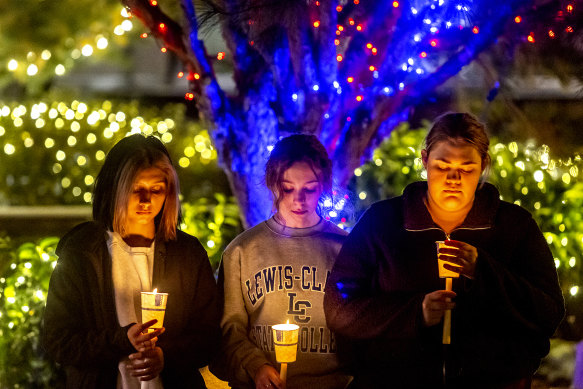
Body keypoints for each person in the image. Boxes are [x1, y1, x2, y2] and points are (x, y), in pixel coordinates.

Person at [324, 113, 565, 389]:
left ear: (484, 165)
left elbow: (548, 312)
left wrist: (483, 272)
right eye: (442, 166)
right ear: (425, 160)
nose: (454, 178)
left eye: (466, 168)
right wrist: (416, 313)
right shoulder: (384, 222)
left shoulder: (514, 226)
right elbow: (338, 306)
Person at [42, 134, 221, 389]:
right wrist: (121, 339)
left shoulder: (187, 254)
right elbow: (57, 340)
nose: (146, 201)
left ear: (169, 192)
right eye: (136, 189)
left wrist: (165, 355)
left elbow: (209, 337)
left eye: (156, 190)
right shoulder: (82, 253)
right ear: (115, 188)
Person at [211, 134, 352, 389]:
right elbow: (229, 329)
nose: (299, 200)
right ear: (273, 184)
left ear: (323, 185)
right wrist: (256, 366)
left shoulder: (347, 249)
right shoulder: (241, 252)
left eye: (309, 188)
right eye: (288, 188)